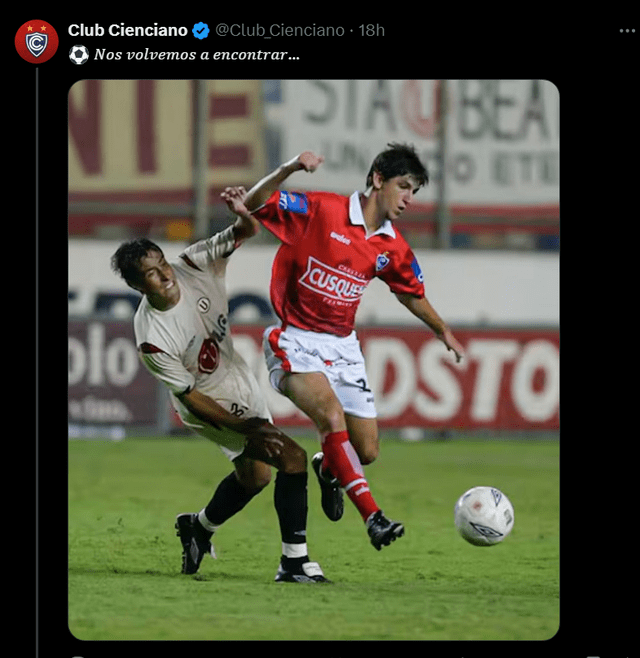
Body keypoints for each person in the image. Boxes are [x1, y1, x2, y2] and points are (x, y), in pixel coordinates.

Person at [232, 143, 465, 551]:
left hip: (343, 348)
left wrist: (441, 329)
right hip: (295, 339)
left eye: (414, 191)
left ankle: (329, 468)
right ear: (377, 179)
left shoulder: (392, 246)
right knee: (331, 416)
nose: (408, 199)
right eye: (403, 186)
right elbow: (255, 203)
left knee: (367, 451)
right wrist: (289, 167)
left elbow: (409, 292)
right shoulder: (322, 210)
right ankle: (373, 517)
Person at [110, 186, 330, 583]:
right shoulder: (152, 337)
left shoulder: (192, 264)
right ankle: (294, 562)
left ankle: (198, 527)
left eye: (163, 264)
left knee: (256, 477)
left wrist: (242, 212)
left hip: (236, 377)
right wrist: (248, 427)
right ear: (139, 287)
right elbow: (190, 399)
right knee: (292, 458)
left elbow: (247, 230)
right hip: (206, 402)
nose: (166, 276)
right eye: (153, 276)